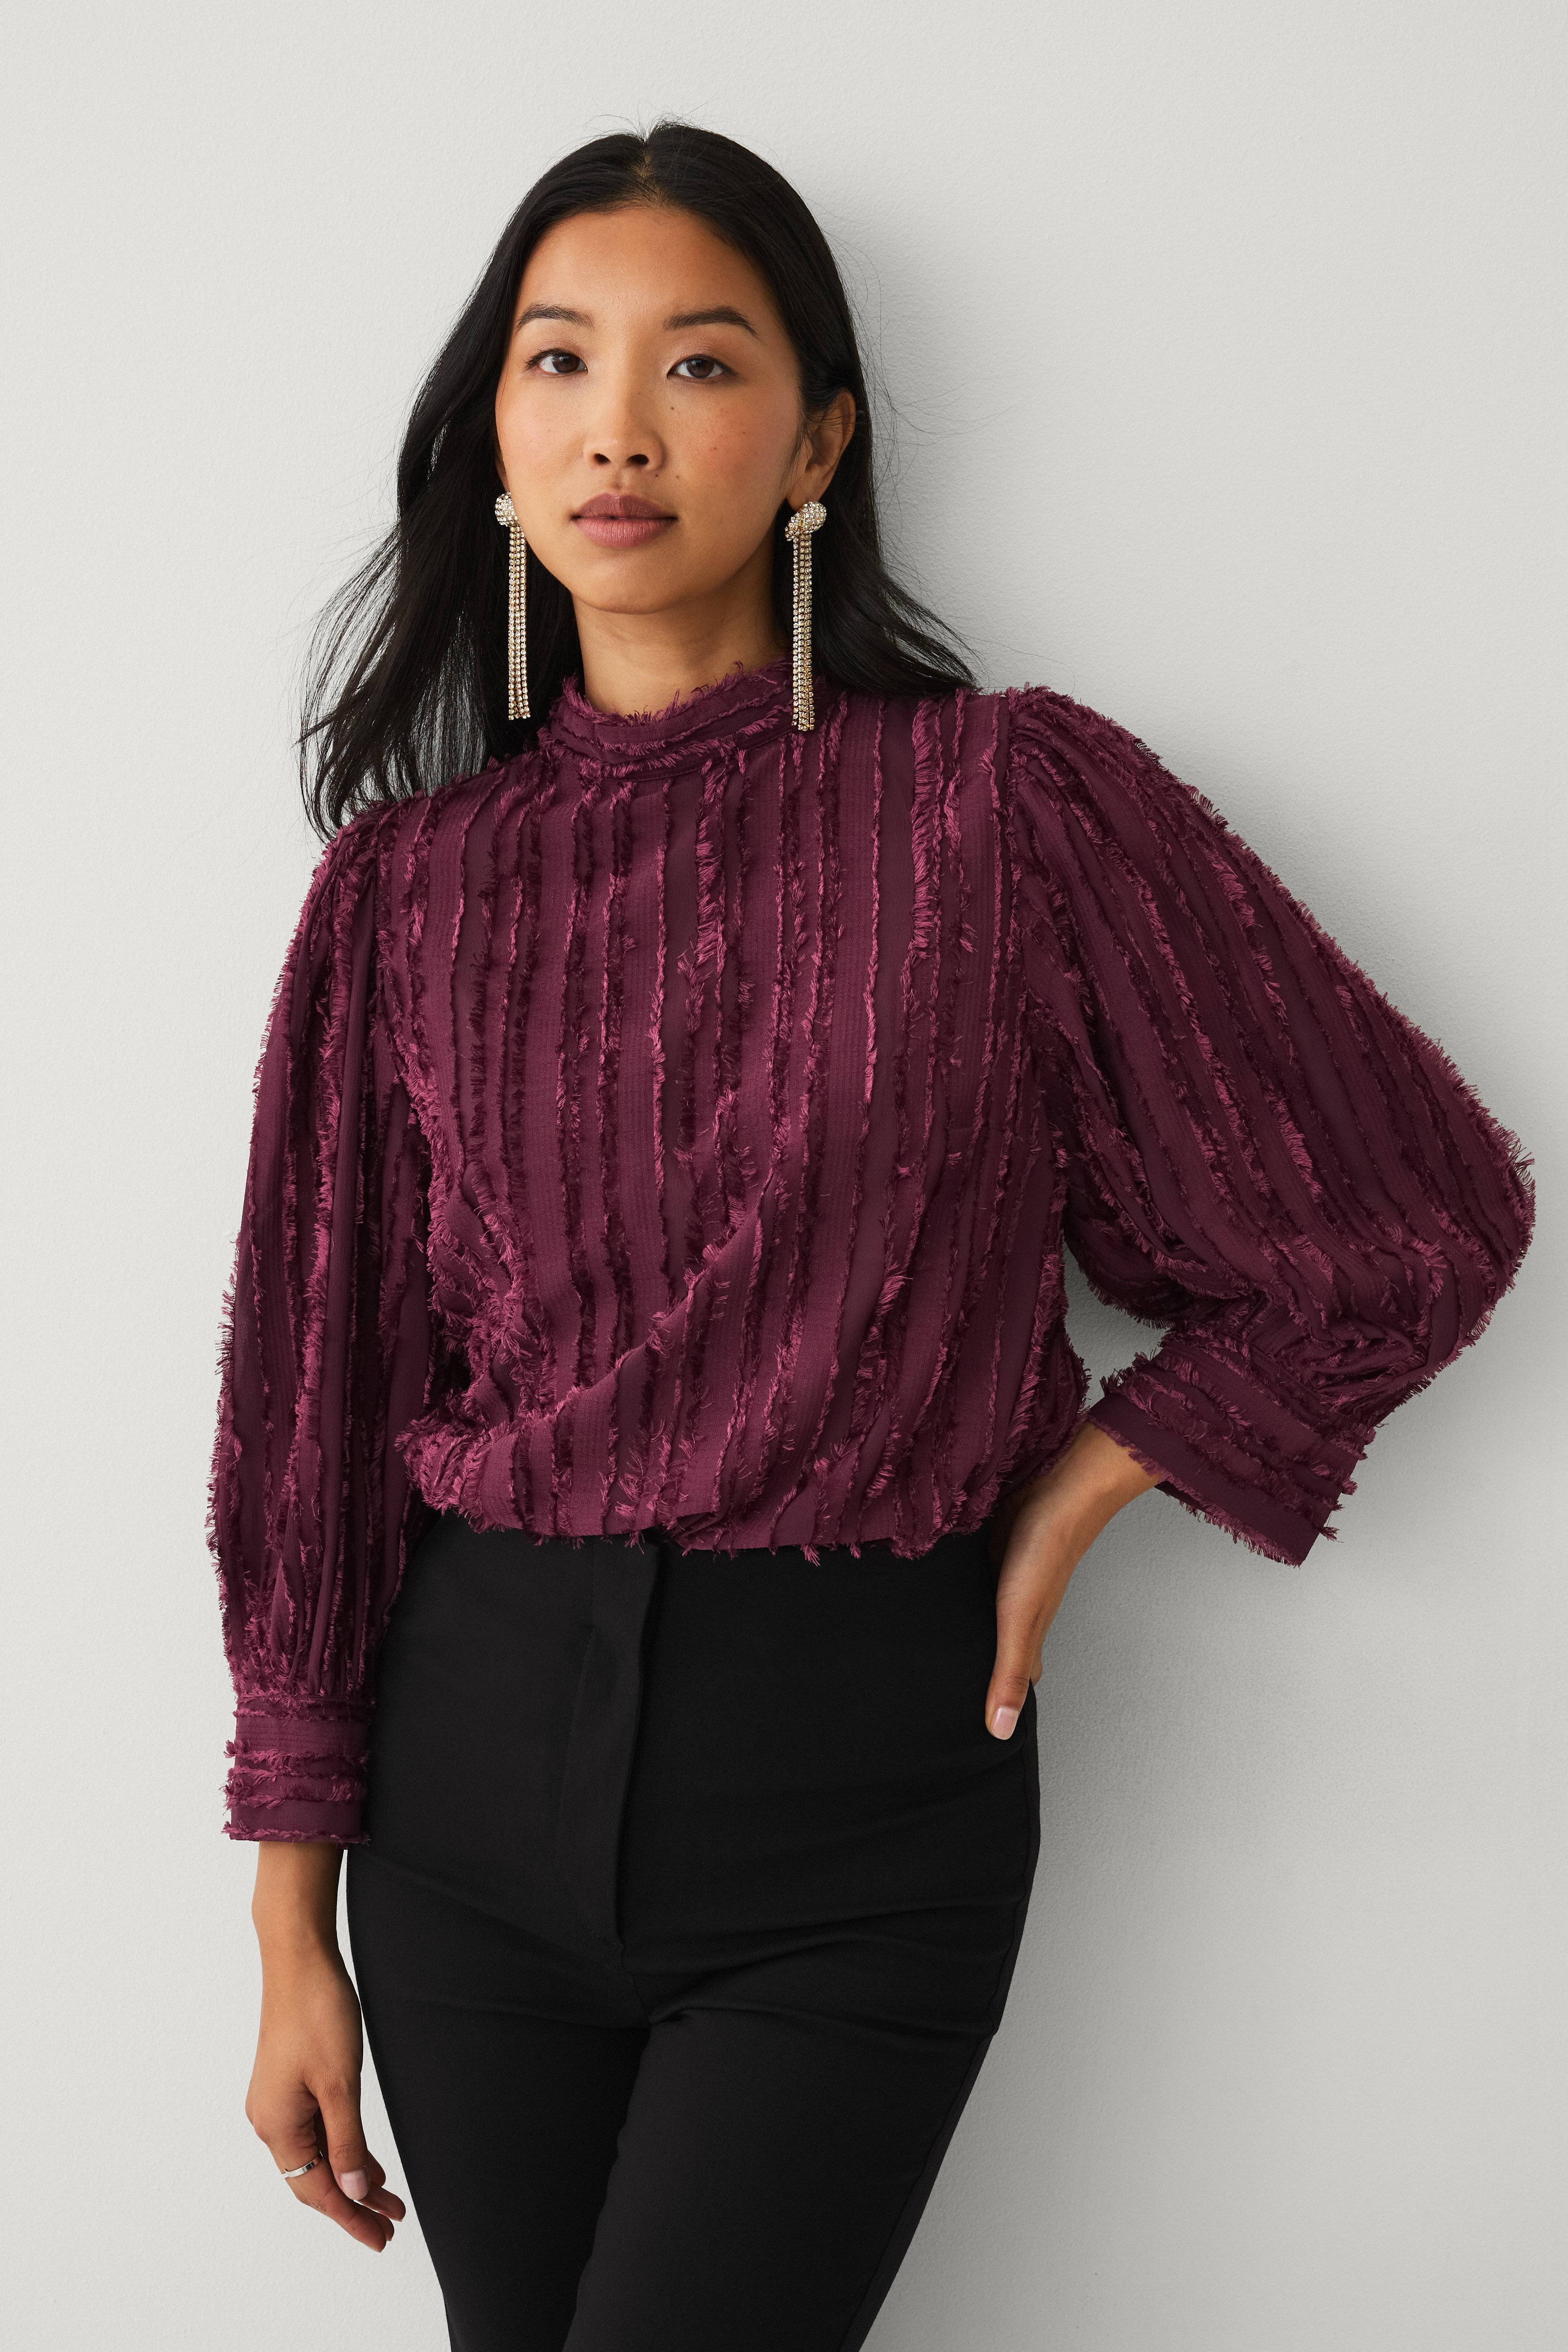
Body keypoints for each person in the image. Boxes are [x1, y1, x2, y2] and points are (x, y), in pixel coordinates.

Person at [207, 121, 1536, 2352]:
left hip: (850, 1779)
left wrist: (1093, 1482)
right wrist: (287, 1925)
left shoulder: (1008, 805)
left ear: (818, 439)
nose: (620, 427)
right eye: (559, 359)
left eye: (701, 363)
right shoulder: (405, 889)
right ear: (496, 431)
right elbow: (310, 1412)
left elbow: (1410, 1210)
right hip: (464, 1785)